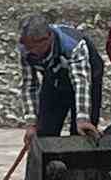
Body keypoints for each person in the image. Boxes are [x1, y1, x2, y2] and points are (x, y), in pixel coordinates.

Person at [18, 14, 103, 142]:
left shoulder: (73, 45)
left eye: (32, 47)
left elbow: (81, 83)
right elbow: (30, 85)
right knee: (44, 134)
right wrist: (31, 123)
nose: (28, 51)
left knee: (82, 134)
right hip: (54, 79)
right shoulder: (26, 49)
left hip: (86, 79)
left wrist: (83, 119)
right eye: (26, 46)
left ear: (47, 39)